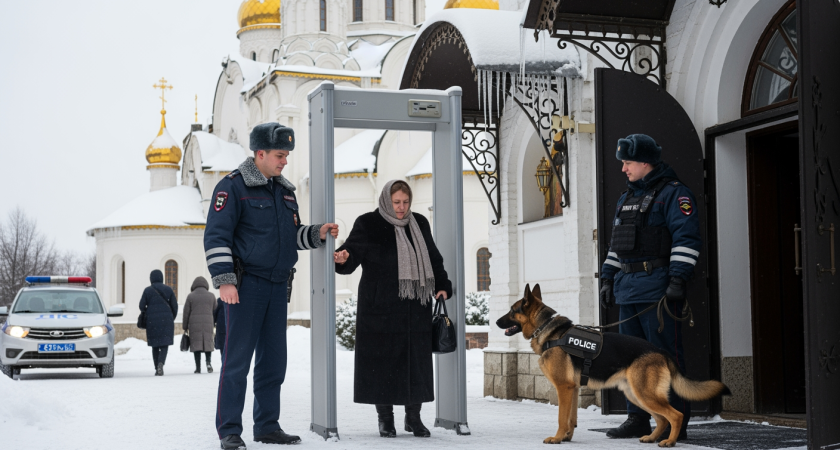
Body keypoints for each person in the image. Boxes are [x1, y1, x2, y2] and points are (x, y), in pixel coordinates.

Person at [204, 122, 339, 450]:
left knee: (274, 362)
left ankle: (266, 425)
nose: (285, 161)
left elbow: (288, 236)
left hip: (278, 288)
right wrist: (224, 282)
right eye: (280, 155)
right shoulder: (232, 188)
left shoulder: (285, 191)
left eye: (287, 155)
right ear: (260, 153)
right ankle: (229, 431)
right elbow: (216, 236)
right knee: (237, 362)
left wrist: (315, 233)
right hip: (244, 287)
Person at [598, 134, 701, 441]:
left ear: (645, 163)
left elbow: (687, 238)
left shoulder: (674, 194)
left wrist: (678, 279)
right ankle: (638, 418)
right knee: (631, 362)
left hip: (657, 292)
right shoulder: (626, 198)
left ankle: (674, 422)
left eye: (627, 163)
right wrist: (607, 278)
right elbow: (618, 246)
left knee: (664, 360)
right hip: (627, 290)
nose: (623, 169)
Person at [333, 180, 452, 439]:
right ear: (387, 199)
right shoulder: (368, 223)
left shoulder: (419, 223)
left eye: (405, 202)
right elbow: (352, 253)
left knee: (415, 362)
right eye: (396, 202)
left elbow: (433, 257)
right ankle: (385, 420)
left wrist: (442, 284)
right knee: (381, 362)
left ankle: (414, 418)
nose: (401, 208)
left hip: (415, 306)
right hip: (380, 307)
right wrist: (343, 257)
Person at [139, 269, 178, 376]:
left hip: (152, 321)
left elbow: (141, 306)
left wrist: (149, 311)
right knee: (165, 344)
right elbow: (175, 306)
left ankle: (157, 367)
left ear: (151, 278)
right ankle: (161, 363)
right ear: (162, 277)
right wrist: (170, 317)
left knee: (155, 345)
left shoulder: (147, 290)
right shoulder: (168, 290)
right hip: (167, 320)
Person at [183, 276, 216, 374]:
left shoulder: (190, 296)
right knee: (208, 344)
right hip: (208, 323)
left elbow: (186, 313)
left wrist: (185, 326)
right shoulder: (211, 296)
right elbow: (215, 309)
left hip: (194, 324)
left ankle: (198, 368)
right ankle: (208, 363)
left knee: (196, 345)